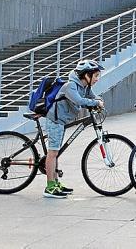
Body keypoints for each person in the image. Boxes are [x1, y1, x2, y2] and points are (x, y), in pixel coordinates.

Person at [44, 59, 104, 198]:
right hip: (55, 120)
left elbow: (93, 97)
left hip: (62, 121)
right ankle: (49, 187)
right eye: (95, 76)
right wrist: (96, 102)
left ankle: (56, 183)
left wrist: (99, 101)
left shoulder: (85, 87)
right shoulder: (71, 86)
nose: (97, 79)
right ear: (86, 75)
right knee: (53, 153)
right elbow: (79, 101)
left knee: (56, 152)